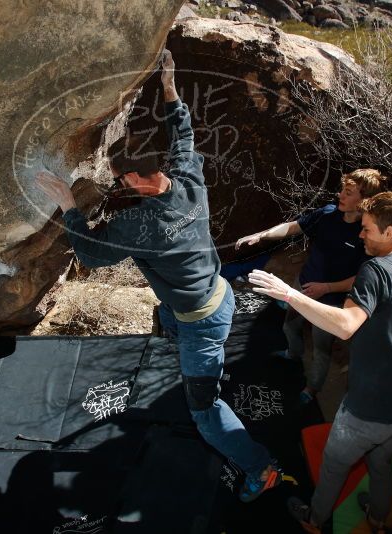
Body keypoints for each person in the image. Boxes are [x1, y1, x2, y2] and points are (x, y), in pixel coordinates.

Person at [34, 50, 280, 502]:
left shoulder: (141, 225)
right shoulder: (187, 175)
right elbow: (182, 131)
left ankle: (261, 467)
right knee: (167, 311)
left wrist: (68, 203)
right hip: (216, 291)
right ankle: (180, 347)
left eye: (122, 181)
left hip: (202, 323)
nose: (120, 187)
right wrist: (169, 82)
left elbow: (90, 251)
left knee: (204, 412)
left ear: (139, 179)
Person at [249, 191, 392, 533]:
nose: (361, 235)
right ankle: (378, 518)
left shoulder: (375, 270)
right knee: (381, 462)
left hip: (369, 407)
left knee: (333, 466)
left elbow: (344, 326)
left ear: (389, 233)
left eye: (368, 229)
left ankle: (314, 520)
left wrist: (289, 294)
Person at [235, 169, 387, 405]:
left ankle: (312, 388)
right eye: (342, 190)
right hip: (303, 284)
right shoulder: (327, 214)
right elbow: (295, 226)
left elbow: (361, 277)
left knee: (321, 347)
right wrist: (263, 234)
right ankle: (293, 354)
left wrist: (326, 288)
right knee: (290, 325)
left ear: (363, 200)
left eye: (347, 193)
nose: (340, 195)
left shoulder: (365, 235)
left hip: (331, 299)